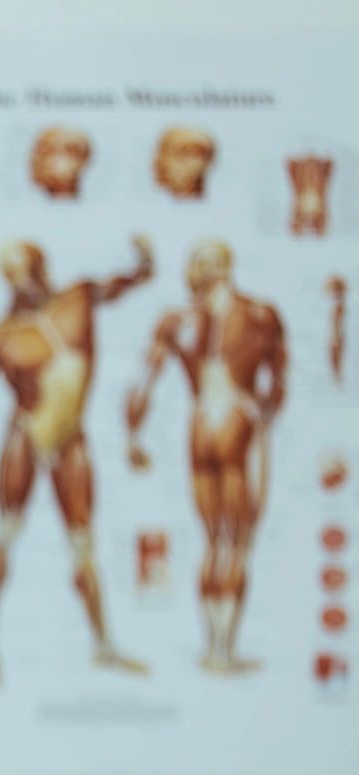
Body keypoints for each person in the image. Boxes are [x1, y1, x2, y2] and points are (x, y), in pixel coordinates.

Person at [0, 236, 154, 686]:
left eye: (26, 268)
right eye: (12, 271)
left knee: (84, 544)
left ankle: (103, 645)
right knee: (6, 532)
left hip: (71, 438)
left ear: (42, 267)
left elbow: (114, 288)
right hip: (25, 434)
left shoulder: (76, 300)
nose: (21, 278)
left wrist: (143, 268)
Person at [125, 238, 288, 675]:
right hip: (237, 418)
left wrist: (132, 439)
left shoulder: (176, 321)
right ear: (228, 268)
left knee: (212, 541)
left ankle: (212, 646)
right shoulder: (259, 314)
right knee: (236, 543)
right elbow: (278, 382)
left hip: (199, 426)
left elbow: (141, 385)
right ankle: (223, 650)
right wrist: (264, 415)